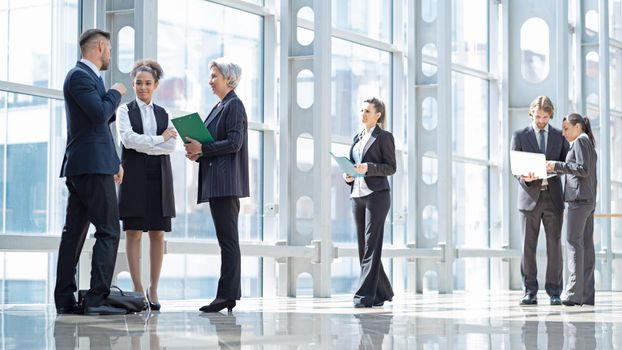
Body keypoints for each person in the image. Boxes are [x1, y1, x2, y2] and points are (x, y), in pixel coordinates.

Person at [54, 28, 127, 315]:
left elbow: (99, 122)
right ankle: (97, 299)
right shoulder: (80, 76)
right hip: (90, 167)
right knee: (109, 230)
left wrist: (115, 162)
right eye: (108, 50)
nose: (110, 55)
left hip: (90, 165)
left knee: (74, 233)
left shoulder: (86, 78)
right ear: (99, 47)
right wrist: (116, 92)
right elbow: (99, 114)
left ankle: (66, 300)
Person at [184, 58, 249, 313]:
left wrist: (204, 149)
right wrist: (198, 151)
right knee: (226, 240)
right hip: (218, 182)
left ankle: (226, 296)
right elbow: (216, 142)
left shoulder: (234, 105)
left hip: (225, 184)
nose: (210, 81)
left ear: (228, 79)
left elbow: (235, 143)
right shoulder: (221, 106)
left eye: (214, 76)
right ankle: (227, 295)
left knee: (228, 241)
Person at [117, 59, 177, 311]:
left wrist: (151, 143)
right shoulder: (124, 110)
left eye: (148, 83)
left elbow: (172, 146)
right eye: (139, 83)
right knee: (132, 232)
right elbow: (128, 140)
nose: (143, 87)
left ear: (155, 85)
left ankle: (153, 288)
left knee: (157, 233)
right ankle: (138, 288)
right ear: (133, 84)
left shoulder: (165, 113)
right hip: (133, 174)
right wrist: (158, 140)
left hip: (160, 175)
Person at [510, 95, 569, 306]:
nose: (541, 120)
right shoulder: (519, 135)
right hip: (529, 198)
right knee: (528, 247)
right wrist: (523, 176)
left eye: (545, 117)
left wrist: (554, 166)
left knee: (554, 246)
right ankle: (529, 291)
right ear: (531, 113)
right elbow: (514, 166)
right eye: (538, 116)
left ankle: (554, 291)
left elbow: (566, 163)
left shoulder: (558, 136)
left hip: (552, 198)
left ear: (550, 115)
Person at [343, 97, 396, 308]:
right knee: (363, 246)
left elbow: (391, 167)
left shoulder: (384, 137)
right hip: (357, 195)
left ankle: (364, 297)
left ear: (377, 115)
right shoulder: (357, 137)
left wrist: (369, 168)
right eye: (362, 110)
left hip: (377, 196)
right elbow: (353, 165)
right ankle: (382, 292)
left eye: (367, 111)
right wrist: (348, 175)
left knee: (372, 246)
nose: (363, 114)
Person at [546, 114, 597, 306]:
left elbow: (582, 169)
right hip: (587, 200)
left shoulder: (580, 143)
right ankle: (585, 295)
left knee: (573, 244)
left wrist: (556, 166)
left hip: (579, 200)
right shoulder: (587, 143)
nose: (564, 133)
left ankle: (573, 293)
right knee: (585, 246)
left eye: (567, 129)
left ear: (577, 127)